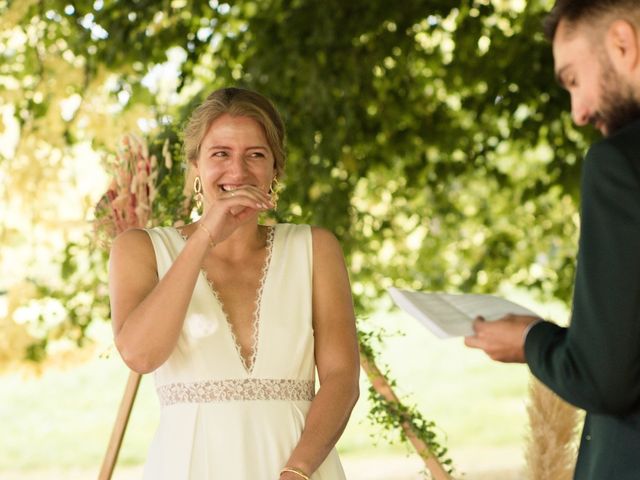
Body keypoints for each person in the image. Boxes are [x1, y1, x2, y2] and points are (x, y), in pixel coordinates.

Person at [108, 87, 360, 480]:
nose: (238, 172)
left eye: (255, 155)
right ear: (195, 166)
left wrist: (298, 471)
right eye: (220, 154)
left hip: (301, 469)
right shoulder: (139, 249)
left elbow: (343, 378)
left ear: (275, 168)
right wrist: (206, 235)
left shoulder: (315, 249)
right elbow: (141, 356)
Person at [464, 1, 640, 478]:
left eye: (574, 80)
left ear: (624, 44)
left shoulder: (619, 165)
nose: (579, 113)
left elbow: (605, 381)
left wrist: (530, 339)